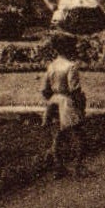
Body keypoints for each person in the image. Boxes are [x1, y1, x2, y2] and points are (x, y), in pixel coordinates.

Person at [41, 33, 88, 178]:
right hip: (67, 102)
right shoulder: (71, 66)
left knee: (57, 137)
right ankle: (78, 167)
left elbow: (45, 90)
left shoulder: (51, 66)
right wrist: (80, 105)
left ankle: (59, 168)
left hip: (54, 101)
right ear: (68, 48)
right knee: (79, 136)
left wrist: (52, 99)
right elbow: (74, 89)